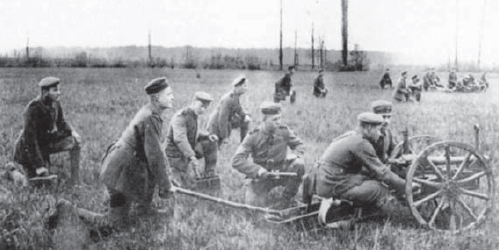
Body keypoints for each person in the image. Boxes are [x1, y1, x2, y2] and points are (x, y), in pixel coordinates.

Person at [52, 77, 176, 232]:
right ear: (156, 98)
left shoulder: (150, 112)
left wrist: (167, 178)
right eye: (169, 94)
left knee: (146, 184)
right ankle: (65, 209)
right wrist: (166, 185)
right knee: (114, 224)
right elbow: (155, 157)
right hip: (120, 173)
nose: (173, 97)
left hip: (125, 167)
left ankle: (145, 210)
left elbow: (155, 155)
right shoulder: (150, 117)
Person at [314, 112, 415, 218]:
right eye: (378, 130)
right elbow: (383, 173)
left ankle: (360, 207)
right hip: (332, 185)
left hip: (324, 180)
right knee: (380, 188)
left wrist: (393, 162)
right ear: (369, 128)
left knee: (368, 178)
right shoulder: (360, 143)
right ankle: (373, 215)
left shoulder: (351, 135)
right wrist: (406, 186)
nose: (380, 134)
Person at [231, 101, 305, 208]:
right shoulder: (253, 136)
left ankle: (287, 198)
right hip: (262, 176)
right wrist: (257, 170)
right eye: (275, 119)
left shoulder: (284, 131)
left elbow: (299, 144)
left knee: (299, 164)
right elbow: (236, 160)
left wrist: (296, 155)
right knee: (254, 208)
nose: (279, 122)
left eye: (280, 118)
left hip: (282, 173)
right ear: (264, 120)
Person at [13, 76, 81, 186]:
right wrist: (39, 166)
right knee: (33, 185)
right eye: (55, 90)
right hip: (28, 151)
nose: (59, 93)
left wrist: (72, 131)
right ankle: (12, 172)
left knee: (74, 141)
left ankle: (75, 180)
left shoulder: (55, 103)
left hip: (43, 146)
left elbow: (61, 122)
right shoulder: (33, 109)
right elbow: (30, 140)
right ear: (45, 92)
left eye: (59, 89)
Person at [165, 91, 219, 186]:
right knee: (180, 185)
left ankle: (209, 174)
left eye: (205, 108)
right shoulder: (181, 117)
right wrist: (191, 156)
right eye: (201, 106)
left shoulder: (194, 115)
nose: (203, 110)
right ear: (194, 102)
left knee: (211, 143)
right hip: (175, 153)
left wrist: (208, 136)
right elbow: (180, 138)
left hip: (188, 149)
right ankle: (173, 173)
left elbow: (194, 132)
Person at [207, 75, 251, 145]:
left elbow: (238, 108)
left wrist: (245, 115)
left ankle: (244, 143)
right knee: (214, 148)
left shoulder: (235, 97)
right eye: (244, 86)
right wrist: (225, 136)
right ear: (237, 86)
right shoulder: (228, 99)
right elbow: (222, 119)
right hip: (216, 125)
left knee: (245, 119)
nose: (246, 88)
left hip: (226, 122)